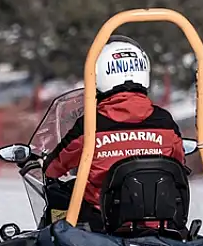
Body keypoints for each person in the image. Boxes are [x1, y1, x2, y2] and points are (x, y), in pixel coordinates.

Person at [41, 34, 185, 228]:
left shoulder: (91, 125)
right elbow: (178, 163)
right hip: (160, 223)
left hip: (104, 224)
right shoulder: (166, 123)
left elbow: (54, 168)